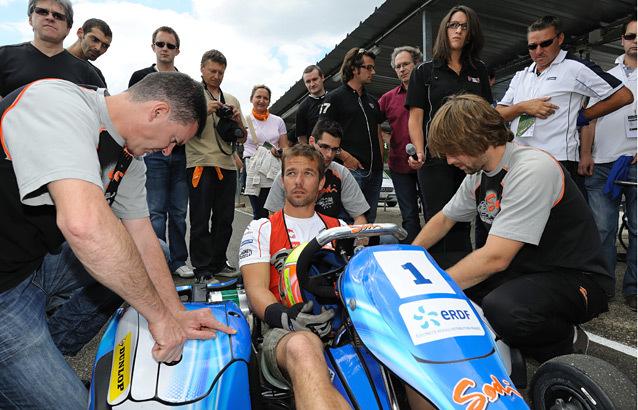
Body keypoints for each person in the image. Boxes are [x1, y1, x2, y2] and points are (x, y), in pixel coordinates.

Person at [0, 73, 235, 409]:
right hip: (4, 290)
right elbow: (84, 226)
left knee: (157, 252)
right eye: (173, 140)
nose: (168, 152)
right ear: (157, 111)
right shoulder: (57, 102)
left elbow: (143, 238)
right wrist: (159, 318)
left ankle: (53, 343)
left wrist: (176, 312)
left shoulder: (130, 155)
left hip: (34, 263)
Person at [412, 93, 613, 363]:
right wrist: (408, 258)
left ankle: (565, 343)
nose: (448, 160)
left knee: (506, 309)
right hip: (523, 270)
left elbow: (495, 258)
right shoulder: (479, 175)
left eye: (453, 150)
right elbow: (445, 219)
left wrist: (426, 292)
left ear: (481, 138)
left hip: (575, 277)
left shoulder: (532, 168)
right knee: (426, 266)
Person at [240, 144, 350, 410]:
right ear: (281, 180)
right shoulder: (261, 228)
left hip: (343, 328)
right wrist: (288, 319)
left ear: (322, 181)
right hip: (283, 332)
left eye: (308, 173)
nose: (298, 181)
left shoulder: (342, 229)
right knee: (304, 344)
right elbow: (255, 290)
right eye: (291, 173)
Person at [496, 15, 633, 184]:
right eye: (532, 46)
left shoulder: (575, 68)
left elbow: (623, 96)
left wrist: (584, 116)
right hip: (519, 157)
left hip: (556, 158)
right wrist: (523, 107)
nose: (539, 51)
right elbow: (497, 116)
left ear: (560, 38)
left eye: (545, 43)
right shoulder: (521, 75)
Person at [405, 5, 492, 253]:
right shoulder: (424, 70)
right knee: (438, 219)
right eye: (453, 24)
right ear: (444, 29)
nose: (458, 31)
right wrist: (420, 152)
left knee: (464, 220)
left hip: (470, 157)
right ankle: (435, 276)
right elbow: (415, 117)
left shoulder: (479, 70)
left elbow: (486, 113)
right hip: (435, 157)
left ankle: (461, 275)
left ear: (471, 33)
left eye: (464, 26)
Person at [579, 18, 637, 310]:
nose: (635, 41)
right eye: (630, 35)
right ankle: (602, 287)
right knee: (601, 229)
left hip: (636, 164)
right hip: (601, 164)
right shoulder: (605, 76)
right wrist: (585, 154)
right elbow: (589, 117)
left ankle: (634, 289)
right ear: (622, 40)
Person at [129, 26, 193, 278]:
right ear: (153, 46)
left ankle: (178, 260)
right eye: (161, 44)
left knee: (178, 211)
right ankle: (155, 261)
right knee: (155, 210)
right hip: (152, 153)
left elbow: (190, 118)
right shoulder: (141, 77)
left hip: (179, 153)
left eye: (170, 45)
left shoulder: (186, 82)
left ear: (177, 50)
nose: (165, 49)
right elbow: (131, 112)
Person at [186, 49, 248, 283]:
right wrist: (204, 111)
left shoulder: (231, 100)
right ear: (201, 68)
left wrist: (238, 121)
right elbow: (183, 131)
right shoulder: (192, 95)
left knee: (225, 219)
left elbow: (241, 139)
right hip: (200, 163)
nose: (216, 76)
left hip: (227, 164)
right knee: (200, 218)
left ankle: (218, 262)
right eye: (212, 71)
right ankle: (202, 269)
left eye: (221, 72)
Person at [319, 48, 385, 223]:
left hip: (375, 172)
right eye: (369, 68)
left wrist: (380, 162)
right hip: (350, 170)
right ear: (355, 69)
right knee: (346, 222)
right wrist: (345, 156)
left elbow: (378, 132)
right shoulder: (334, 98)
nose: (373, 72)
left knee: (369, 222)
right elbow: (321, 135)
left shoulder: (372, 102)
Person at [264, 119, 369, 224]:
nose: (329, 154)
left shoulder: (342, 173)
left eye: (334, 149)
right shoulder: (286, 174)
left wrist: (360, 239)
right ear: (311, 142)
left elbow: (360, 218)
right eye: (325, 147)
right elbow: (274, 217)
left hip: (331, 236)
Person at [0, 0, 105, 99]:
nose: (50, 18)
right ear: (31, 19)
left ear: (68, 28)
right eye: (42, 12)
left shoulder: (87, 73)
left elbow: (105, 113)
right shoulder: (3, 57)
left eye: (58, 16)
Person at [378, 45, 424, 243]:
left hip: (427, 163)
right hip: (399, 164)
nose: (402, 69)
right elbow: (372, 122)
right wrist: (386, 138)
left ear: (417, 64)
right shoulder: (387, 98)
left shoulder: (428, 92)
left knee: (433, 212)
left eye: (406, 64)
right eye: (398, 66)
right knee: (409, 215)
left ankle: (438, 256)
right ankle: (412, 253)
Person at [243, 84, 289, 220]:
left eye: (266, 98)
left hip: (274, 169)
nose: (262, 101)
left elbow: (285, 147)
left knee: (278, 212)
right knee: (259, 213)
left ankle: (277, 239)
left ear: (269, 101)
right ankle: (260, 240)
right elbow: (233, 144)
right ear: (251, 99)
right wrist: (240, 166)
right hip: (253, 167)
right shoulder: (244, 121)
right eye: (258, 97)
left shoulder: (278, 121)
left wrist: (280, 152)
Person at [66, 18, 112, 87]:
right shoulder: (52, 59)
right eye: (94, 39)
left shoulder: (97, 76)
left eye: (105, 46)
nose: (98, 48)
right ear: (80, 33)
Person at [296, 65, 328, 144]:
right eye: (308, 81)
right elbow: (302, 138)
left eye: (315, 79)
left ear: (322, 77)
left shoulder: (336, 99)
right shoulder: (302, 108)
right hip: (316, 154)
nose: (312, 84)